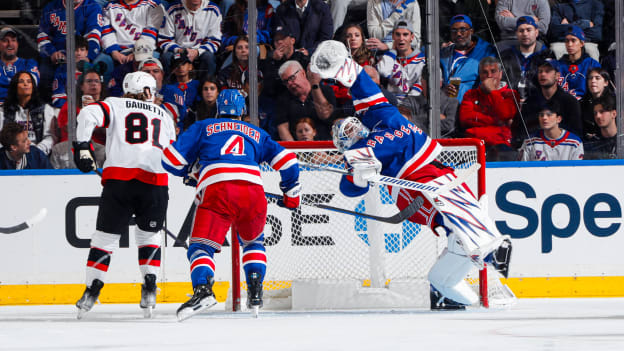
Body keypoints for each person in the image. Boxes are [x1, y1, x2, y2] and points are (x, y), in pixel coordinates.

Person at [308, 40, 511, 310]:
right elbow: (351, 188)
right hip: (420, 191)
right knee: (441, 277)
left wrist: (341, 65)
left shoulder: (379, 118)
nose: (350, 132)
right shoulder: (362, 148)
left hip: (427, 177)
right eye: (345, 135)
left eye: (349, 127)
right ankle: (463, 302)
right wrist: (357, 175)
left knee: (451, 206)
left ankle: (491, 251)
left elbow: (361, 84)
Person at [161, 89, 301, 320]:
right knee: (253, 242)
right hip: (253, 191)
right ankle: (255, 294)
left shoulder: (204, 126)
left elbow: (171, 161)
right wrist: (290, 192)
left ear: (218, 109)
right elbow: (288, 161)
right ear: (242, 111)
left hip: (218, 190)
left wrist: (190, 172)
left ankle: (203, 291)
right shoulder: (257, 132)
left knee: (200, 247)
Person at [73, 71, 177, 319]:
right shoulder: (165, 115)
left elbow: (87, 114)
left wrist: (82, 147)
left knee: (105, 238)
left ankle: (92, 289)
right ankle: (150, 286)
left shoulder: (115, 104)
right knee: (149, 235)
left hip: (120, 181)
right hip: (155, 182)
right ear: (150, 91)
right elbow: (170, 148)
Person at [37, 0, 109, 101]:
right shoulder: (50, 8)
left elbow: (94, 34)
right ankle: (49, 107)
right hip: (58, 54)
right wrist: (51, 53)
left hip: (83, 52)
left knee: (104, 62)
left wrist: (88, 56)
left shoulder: (91, 6)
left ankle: (100, 104)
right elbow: (42, 36)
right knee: (44, 72)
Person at [459, 56, 519, 161]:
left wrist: (492, 91)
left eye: (493, 71)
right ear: (480, 75)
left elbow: (505, 114)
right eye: (484, 72)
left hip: (501, 145)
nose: (489, 76)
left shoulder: (511, 94)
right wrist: (496, 120)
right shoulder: (470, 94)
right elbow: (465, 118)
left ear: (500, 74)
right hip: (474, 144)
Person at [513, 59, 582, 149]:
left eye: (547, 71)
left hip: (564, 149)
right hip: (534, 148)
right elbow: (521, 130)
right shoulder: (530, 101)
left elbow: (576, 132)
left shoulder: (570, 101)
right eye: (540, 71)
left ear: (557, 76)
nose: (543, 74)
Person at [50, 68, 108, 169]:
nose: (93, 84)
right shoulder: (70, 106)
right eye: (89, 81)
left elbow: (111, 131)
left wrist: (94, 111)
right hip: (73, 146)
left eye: (96, 81)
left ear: (101, 85)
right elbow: (67, 128)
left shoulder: (107, 106)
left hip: (101, 150)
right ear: (81, 86)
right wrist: (86, 114)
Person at [275, 60, 337, 141]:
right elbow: (283, 128)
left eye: (292, 78)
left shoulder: (326, 91)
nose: (290, 83)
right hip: (298, 148)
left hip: (325, 145)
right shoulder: (283, 99)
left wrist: (315, 85)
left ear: (303, 73)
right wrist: (295, 151)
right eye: (286, 81)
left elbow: (325, 115)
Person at [440, 14, 496, 103]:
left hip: (472, 105)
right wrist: (443, 91)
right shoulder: (444, 54)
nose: (458, 34)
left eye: (463, 30)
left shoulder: (486, 51)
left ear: (471, 31)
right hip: (446, 105)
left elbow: (489, 83)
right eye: (454, 30)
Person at [158, 0, 221, 79]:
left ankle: (204, 87)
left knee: (209, 57)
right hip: (179, 50)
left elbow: (215, 40)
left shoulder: (213, 9)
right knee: (166, 57)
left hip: (201, 51)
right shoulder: (172, 9)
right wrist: (179, 50)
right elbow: (164, 39)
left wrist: (197, 52)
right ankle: (169, 88)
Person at [499, 16, 554, 102]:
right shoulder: (505, 56)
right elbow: (501, 83)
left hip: (538, 105)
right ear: (516, 34)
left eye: (529, 30)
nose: (525, 34)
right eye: (521, 31)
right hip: (511, 104)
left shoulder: (547, 56)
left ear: (536, 32)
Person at [0, 71, 55, 155]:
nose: (26, 84)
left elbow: (50, 137)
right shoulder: (3, 110)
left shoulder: (45, 109)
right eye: (21, 82)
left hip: (37, 154)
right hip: (11, 154)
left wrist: (36, 151)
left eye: (29, 82)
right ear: (15, 86)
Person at [398, 65, 458, 138]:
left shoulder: (452, 102)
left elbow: (449, 126)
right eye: (428, 81)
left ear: (441, 82)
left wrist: (414, 118)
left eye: (435, 81)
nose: (431, 85)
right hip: (418, 143)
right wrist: (434, 116)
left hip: (443, 145)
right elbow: (402, 122)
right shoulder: (410, 101)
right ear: (422, 81)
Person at [101, 0, 165, 66]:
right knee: (102, 60)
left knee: (148, 62)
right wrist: (114, 52)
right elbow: (107, 32)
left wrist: (139, 52)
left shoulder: (154, 5)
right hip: (118, 51)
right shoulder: (109, 7)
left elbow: (151, 33)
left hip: (145, 50)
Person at [376, 19, 425, 102]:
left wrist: (405, 105)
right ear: (393, 36)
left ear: (412, 37)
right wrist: (392, 52)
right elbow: (383, 71)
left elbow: (420, 87)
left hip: (412, 105)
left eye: (405, 35)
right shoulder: (389, 57)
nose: (401, 38)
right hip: (390, 102)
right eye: (398, 35)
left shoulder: (422, 60)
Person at [518, 102, 584, 161]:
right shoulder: (529, 141)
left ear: (559, 119)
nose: (544, 118)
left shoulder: (575, 142)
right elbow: (522, 169)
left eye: (549, 114)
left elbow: (576, 171)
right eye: (541, 115)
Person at [259, 27, 309, 100]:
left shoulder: (302, 59)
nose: (279, 42)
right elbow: (269, 88)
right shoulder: (270, 61)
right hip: (278, 101)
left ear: (292, 41)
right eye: (276, 40)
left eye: (283, 38)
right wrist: (273, 61)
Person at [556, 25, 601, 100]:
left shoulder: (592, 64)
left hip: (586, 104)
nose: (569, 44)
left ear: (582, 43)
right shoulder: (558, 65)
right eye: (567, 41)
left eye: (573, 40)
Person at [0, 26, 39, 106]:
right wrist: (19, 83)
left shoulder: (29, 63)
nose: (10, 44)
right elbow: (24, 87)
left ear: (17, 44)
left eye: (13, 40)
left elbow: (31, 85)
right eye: (5, 41)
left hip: (22, 107)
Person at [580, 68, 615, 139]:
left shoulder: (616, 102)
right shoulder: (582, 103)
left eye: (597, 78)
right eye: (590, 78)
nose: (593, 81)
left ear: (606, 83)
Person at [584, 94, 617, 160]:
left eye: (602, 112)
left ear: (613, 114)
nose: (598, 116)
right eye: (595, 113)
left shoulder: (621, 140)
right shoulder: (591, 144)